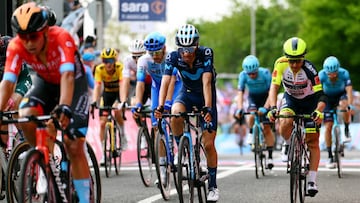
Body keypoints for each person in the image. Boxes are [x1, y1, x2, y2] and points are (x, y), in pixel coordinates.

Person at [1, 3, 91, 202]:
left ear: (45, 32)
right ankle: (44, 160)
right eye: (23, 37)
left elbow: (67, 76)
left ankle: (85, 197)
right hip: (46, 83)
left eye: (33, 36)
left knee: (73, 144)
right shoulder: (15, 46)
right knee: (25, 116)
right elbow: (7, 82)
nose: (29, 43)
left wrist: (65, 107)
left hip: (73, 84)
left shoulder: (61, 38)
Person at [154, 24, 219, 201]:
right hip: (187, 94)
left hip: (205, 96)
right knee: (175, 113)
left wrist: (208, 108)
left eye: (190, 48)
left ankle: (213, 185)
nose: (187, 53)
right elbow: (165, 82)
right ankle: (181, 148)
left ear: (196, 45)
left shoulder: (205, 54)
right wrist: (160, 106)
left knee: (208, 144)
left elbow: (206, 83)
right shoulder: (173, 57)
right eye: (183, 49)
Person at [267, 37, 327, 197]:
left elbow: (322, 96)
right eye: (291, 60)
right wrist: (273, 108)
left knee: (312, 141)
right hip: (291, 99)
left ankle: (312, 181)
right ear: (286, 57)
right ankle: (288, 144)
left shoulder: (310, 70)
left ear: (304, 57)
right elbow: (274, 88)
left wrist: (319, 111)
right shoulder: (280, 64)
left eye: (298, 61)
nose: (294, 65)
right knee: (285, 120)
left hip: (310, 102)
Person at [132, 32, 182, 184]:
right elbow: (140, 83)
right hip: (156, 87)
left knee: (174, 116)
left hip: (176, 86)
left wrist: (168, 102)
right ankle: (162, 170)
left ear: (164, 48)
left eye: (157, 52)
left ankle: (181, 150)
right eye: (151, 53)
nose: (154, 56)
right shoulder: (143, 60)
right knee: (157, 126)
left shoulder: (172, 56)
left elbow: (172, 80)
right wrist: (138, 103)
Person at [234, 55, 274, 169]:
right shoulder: (242, 75)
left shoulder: (265, 74)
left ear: (257, 70)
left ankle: (270, 156)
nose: (251, 76)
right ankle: (251, 133)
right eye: (249, 74)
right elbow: (240, 93)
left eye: (254, 73)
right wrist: (239, 108)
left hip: (266, 97)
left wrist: (266, 108)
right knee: (251, 115)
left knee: (267, 128)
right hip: (253, 98)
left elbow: (272, 92)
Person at [319, 56, 354, 168]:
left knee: (345, 105)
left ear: (338, 70)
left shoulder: (344, 73)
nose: (332, 76)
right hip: (327, 97)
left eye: (334, 73)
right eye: (330, 74)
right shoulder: (321, 75)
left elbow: (349, 90)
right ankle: (330, 156)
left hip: (340, 95)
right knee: (328, 126)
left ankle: (347, 128)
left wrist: (350, 105)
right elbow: (317, 92)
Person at [90, 48, 127, 153]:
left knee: (117, 110)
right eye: (105, 61)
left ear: (115, 61)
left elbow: (122, 84)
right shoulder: (99, 69)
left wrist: (122, 101)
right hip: (107, 94)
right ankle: (102, 152)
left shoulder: (120, 67)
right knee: (102, 123)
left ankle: (123, 136)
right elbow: (97, 86)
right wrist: (94, 101)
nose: (108, 64)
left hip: (118, 93)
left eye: (110, 61)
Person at [0, 35, 32, 148]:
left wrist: (8, 99)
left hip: (21, 79)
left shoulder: (9, 44)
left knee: (11, 105)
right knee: (2, 113)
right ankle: (5, 152)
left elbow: (13, 78)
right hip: (4, 81)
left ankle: (24, 137)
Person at [120, 39, 150, 105]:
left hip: (152, 84)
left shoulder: (149, 59)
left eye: (139, 56)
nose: (137, 59)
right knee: (134, 104)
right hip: (140, 83)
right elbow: (125, 81)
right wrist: (124, 100)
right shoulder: (128, 60)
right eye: (134, 57)